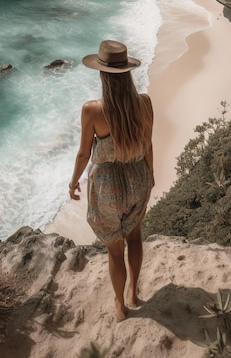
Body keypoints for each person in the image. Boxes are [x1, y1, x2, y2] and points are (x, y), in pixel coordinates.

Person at [69, 39, 154, 322]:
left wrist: (73, 182)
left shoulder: (92, 110)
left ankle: (120, 306)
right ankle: (133, 292)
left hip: (107, 187)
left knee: (115, 252)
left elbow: (83, 154)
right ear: (127, 72)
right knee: (135, 236)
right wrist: (150, 176)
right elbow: (148, 145)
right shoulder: (144, 103)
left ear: (102, 74)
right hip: (138, 177)